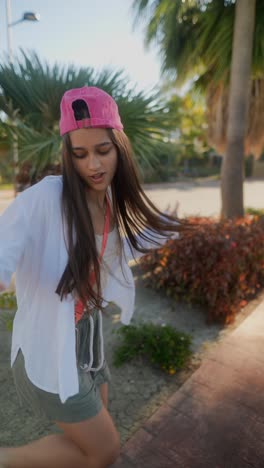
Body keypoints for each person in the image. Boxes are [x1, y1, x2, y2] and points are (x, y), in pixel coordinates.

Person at [0, 86, 189, 468]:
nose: (93, 165)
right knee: (104, 450)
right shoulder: (47, 197)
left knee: (95, 435)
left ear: (120, 145)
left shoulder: (110, 201)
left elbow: (117, 251)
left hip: (87, 336)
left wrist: (174, 229)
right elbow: (7, 241)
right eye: (80, 154)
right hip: (49, 350)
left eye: (103, 150)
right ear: (67, 156)